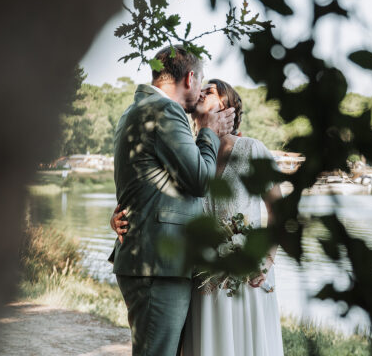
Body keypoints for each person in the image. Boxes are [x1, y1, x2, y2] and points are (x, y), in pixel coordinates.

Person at [112, 79, 284, 356]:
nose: (201, 92)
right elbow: (156, 196)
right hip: (200, 279)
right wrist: (119, 214)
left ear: (228, 106)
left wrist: (265, 259)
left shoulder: (253, 150)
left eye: (210, 91)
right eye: (200, 88)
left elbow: (279, 211)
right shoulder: (190, 153)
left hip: (247, 276)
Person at [108, 45, 236, 356]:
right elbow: (199, 180)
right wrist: (208, 133)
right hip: (158, 265)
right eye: (202, 82)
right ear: (190, 78)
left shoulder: (136, 110)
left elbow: (149, 182)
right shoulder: (164, 111)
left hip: (152, 259)